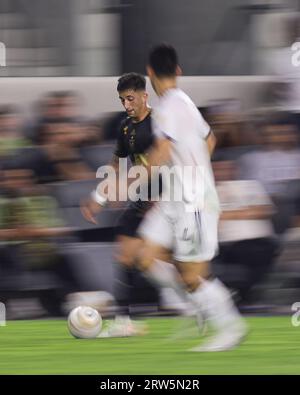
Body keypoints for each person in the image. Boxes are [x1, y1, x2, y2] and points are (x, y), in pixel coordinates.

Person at [132, 44, 247, 351]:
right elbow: (210, 140)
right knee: (145, 257)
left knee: (193, 275)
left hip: (193, 201)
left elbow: (161, 153)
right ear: (178, 72)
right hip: (178, 196)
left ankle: (231, 328)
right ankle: (195, 303)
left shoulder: (168, 108)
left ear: (150, 72)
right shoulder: (184, 102)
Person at [81, 72, 161, 336]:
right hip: (142, 199)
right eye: (122, 100)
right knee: (124, 254)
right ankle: (123, 321)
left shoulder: (160, 123)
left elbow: (158, 165)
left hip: (169, 198)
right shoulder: (126, 127)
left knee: (158, 260)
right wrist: (99, 197)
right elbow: (116, 165)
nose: (126, 105)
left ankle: (201, 302)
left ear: (144, 96)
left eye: (130, 98)